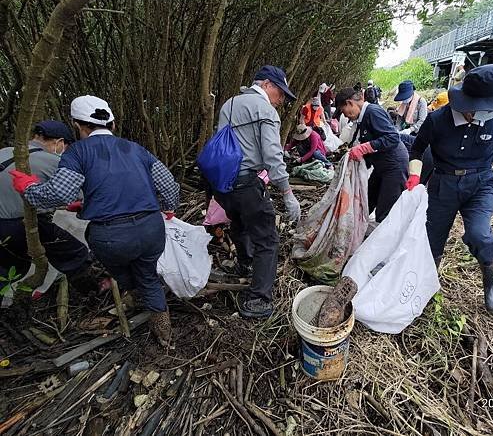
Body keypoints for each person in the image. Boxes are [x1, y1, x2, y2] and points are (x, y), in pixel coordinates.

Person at [10, 96, 180, 345]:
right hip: (151, 229)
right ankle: (163, 331)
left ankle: (132, 290)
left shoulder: (77, 152)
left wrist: (29, 189)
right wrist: (166, 209)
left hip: (111, 238)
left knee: (123, 269)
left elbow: (58, 194)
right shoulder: (136, 149)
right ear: (112, 123)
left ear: (78, 126)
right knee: (148, 273)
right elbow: (169, 188)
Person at [406, 65, 493, 314]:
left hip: (480, 183)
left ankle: (490, 283)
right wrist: (414, 175)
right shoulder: (438, 120)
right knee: (432, 241)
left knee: (480, 236)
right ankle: (426, 285)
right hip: (443, 184)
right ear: (469, 103)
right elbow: (417, 148)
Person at [213, 65, 300, 319]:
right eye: (280, 93)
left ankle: (246, 263)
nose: (282, 100)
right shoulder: (265, 110)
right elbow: (272, 155)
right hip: (248, 183)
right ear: (266, 85)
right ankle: (259, 299)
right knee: (268, 240)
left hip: (223, 184)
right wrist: (286, 192)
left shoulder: (229, 104)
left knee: (239, 224)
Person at [0, 121, 93, 289]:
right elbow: (82, 193)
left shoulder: (5, 152)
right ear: (59, 142)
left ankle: (11, 307)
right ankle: (92, 289)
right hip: (15, 225)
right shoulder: (53, 160)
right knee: (74, 252)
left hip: (6, 224)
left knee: (9, 269)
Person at [334, 87, 409, 222]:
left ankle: (384, 239)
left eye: (344, 112)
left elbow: (392, 137)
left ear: (350, 103)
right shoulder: (362, 119)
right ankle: (357, 231)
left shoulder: (372, 112)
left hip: (394, 165)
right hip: (381, 166)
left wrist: (365, 148)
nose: (345, 116)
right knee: (366, 201)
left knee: (385, 211)